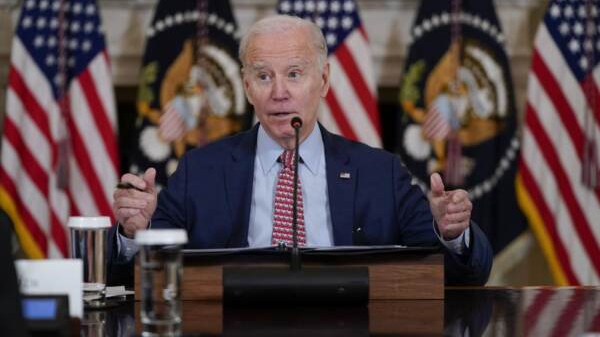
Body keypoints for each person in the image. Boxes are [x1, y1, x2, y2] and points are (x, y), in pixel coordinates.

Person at [110, 15, 492, 286]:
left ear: (323, 80)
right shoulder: (200, 170)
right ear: (246, 87)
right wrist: (134, 233)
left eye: (294, 74)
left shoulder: (379, 172)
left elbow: (462, 275)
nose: (279, 92)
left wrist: (453, 233)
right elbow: (137, 274)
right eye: (263, 76)